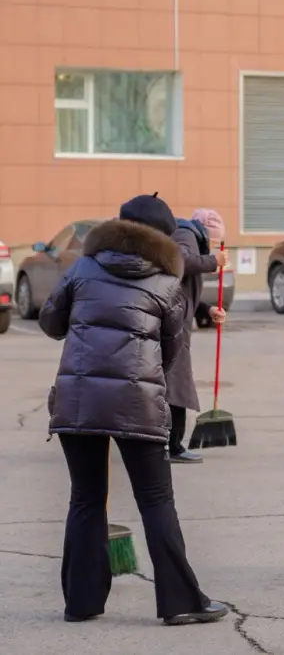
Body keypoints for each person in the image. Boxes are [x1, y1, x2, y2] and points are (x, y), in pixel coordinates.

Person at [39, 193, 228, 626]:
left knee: (86, 499)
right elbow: (171, 353)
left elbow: (51, 324)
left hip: (78, 399)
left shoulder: (83, 268)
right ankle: (181, 602)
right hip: (138, 403)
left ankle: (81, 603)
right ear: (163, 236)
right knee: (156, 500)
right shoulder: (166, 283)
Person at [166, 208, 228, 463]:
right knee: (176, 386)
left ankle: (170, 444)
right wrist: (214, 261)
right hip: (173, 325)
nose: (212, 246)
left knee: (175, 384)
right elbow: (182, 261)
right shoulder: (185, 235)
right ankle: (174, 447)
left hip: (177, 320)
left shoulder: (187, 234)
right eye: (213, 240)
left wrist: (206, 309)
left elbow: (183, 287)